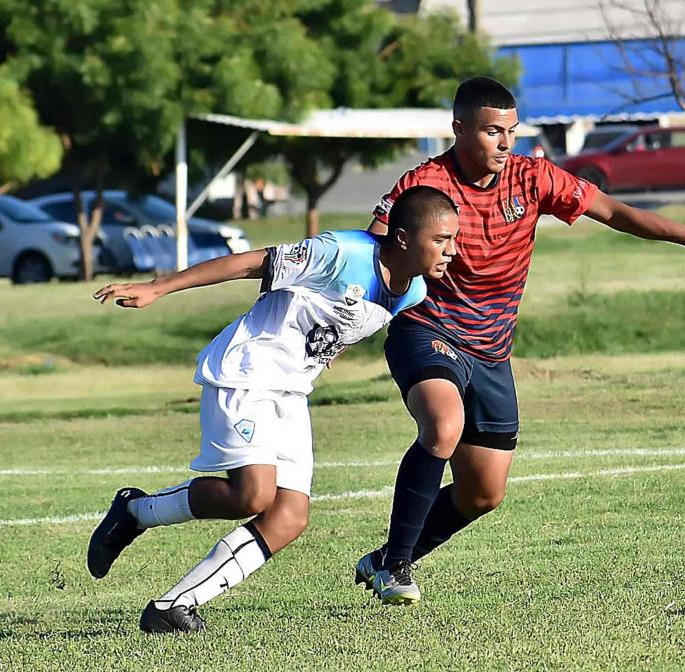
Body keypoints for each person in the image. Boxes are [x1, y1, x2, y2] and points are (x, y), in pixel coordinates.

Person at [355, 77, 685, 605]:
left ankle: (387, 556)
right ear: (458, 129)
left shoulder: (532, 178)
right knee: (444, 424)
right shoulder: (424, 184)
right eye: (492, 132)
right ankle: (398, 567)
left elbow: (614, 212)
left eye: (512, 132)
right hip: (427, 331)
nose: (505, 143)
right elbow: (371, 251)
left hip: (492, 350)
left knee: (484, 493)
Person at [85, 186, 459, 633]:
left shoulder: (411, 292)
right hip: (246, 371)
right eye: (441, 239)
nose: (451, 251)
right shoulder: (339, 252)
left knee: (289, 517)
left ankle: (172, 607)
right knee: (253, 494)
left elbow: (336, 326)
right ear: (402, 238)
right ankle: (135, 511)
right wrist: (157, 288)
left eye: (453, 239)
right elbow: (247, 262)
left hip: (291, 391)